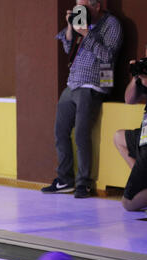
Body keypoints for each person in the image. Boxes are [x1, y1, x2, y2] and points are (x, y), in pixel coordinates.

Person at [42, 0, 123, 198]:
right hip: (73, 82)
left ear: (96, 6)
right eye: (78, 5)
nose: (81, 9)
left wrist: (87, 33)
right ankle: (64, 180)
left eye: (84, 6)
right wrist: (71, 25)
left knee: (81, 135)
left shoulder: (111, 24)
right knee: (60, 132)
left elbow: (108, 56)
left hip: (95, 84)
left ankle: (84, 183)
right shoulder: (81, 20)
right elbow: (67, 46)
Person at [114, 52, 147, 212]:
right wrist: (136, 77)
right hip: (144, 135)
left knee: (128, 203)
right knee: (119, 137)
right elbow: (129, 100)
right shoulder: (144, 72)